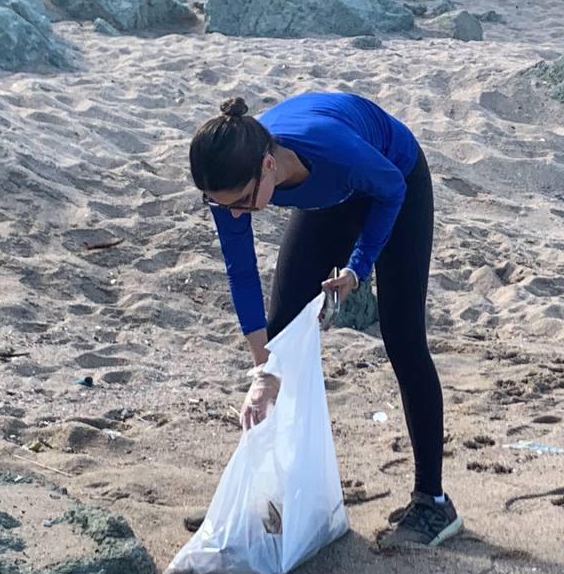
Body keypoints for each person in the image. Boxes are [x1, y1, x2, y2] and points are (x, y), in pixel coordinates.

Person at [188, 92, 463, 548]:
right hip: (331, 195)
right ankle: (267, 497)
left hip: (393, 179)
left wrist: (358, 268)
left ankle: (433, 503)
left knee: (403, 336)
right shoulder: (231, 182)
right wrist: (264, 371)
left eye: (241, 202)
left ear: (269, 166)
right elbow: (241, 272)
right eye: (222, 205)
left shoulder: (330, 148)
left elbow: (391, 188)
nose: (235, 213)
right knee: (281, 338)